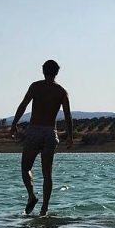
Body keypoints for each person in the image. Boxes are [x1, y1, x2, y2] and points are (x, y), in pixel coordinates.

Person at [10, 60, 73, 216]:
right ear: (57, 72)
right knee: (47, 174)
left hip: (35, 131)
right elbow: (67, 115)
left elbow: (23, 105)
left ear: (43, 71)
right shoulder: (61, 91)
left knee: (26, 168)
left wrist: (14, 123)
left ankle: (31, 195)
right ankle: (44, 209)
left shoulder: (36, 87)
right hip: (51, 132)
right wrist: (71, 136)